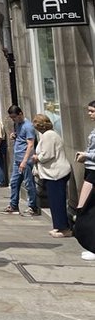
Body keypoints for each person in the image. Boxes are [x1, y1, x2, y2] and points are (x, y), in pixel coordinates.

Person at [31, 113, 73, 237]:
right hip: (53, 173)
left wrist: (37, 157)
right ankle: (58, 226)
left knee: (57, 201)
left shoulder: (49, 135)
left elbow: (48, 154)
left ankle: (63, 228)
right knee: (54, 202)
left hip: (56, 173)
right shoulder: (49, 134)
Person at [4, 104, 39, 215]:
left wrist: (24, 161)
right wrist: (15, 136)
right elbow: (22, 138)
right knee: (14, 182)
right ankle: (14, 204)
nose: (14, 120)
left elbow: (30, 144)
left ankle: (32, 206)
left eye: (15, 117)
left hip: (25, 159)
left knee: (29, 183)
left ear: (20, 114)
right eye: (12, 118)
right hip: (17, 158)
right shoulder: (18, 125)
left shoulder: (28, 126)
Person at [74, 99, 95, 259]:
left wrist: (86, 155)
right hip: (90, 170)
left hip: (93, 172)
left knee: (85, 208)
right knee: (84, 208)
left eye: (92, 111)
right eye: (89, 111)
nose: (90, 114)